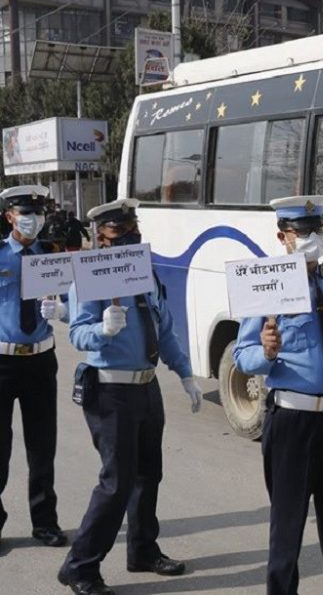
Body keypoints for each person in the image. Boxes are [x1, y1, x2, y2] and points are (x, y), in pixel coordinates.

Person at [59, 198, 202, 595]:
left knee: (147, 475)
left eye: (133, 227)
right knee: (116, 482)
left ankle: (142, 550)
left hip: (146, 386)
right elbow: (77, 334)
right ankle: (80, 566)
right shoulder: (87, 278)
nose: (130, 235)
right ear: (100, 237)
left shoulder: (146, 274)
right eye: (119, 230)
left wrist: (185, 372)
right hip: (109, 389)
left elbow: (165, 329)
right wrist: (101, 330)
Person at [233, 195, 323, 595]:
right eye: (304, 231)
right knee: (287, 530)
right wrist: (267, 351)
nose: (314, 238)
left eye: (319, 229)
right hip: (294, 421)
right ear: (282, 236)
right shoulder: (265, 285)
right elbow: (244, 356)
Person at [0, 185, 68, 552]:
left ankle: (45, 523)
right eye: (25, 212)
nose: (33, 220)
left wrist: (60, 311)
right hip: (2, 361)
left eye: (38, 213)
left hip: (41, 359)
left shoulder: (52, 256)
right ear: (9, 215)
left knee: (42, 447)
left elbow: (75, 306)